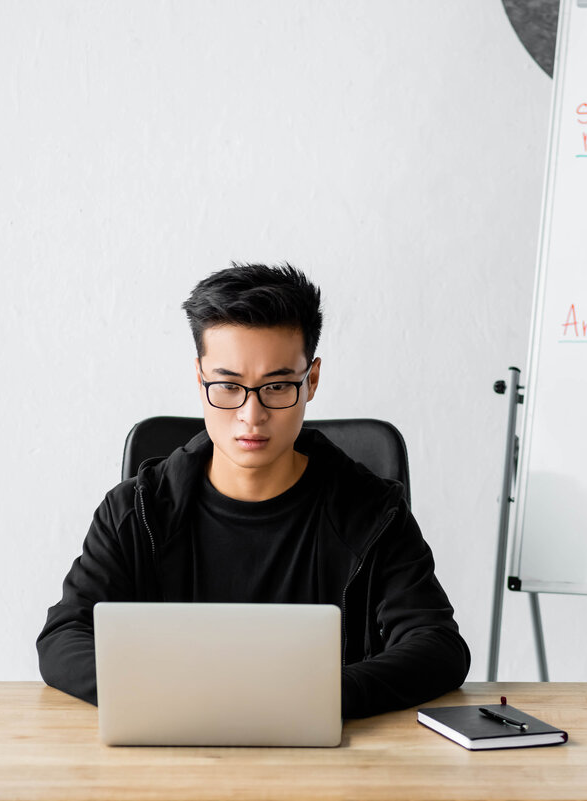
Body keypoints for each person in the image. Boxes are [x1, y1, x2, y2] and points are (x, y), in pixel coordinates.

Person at [36, 262, 470, 718]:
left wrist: (312, 698)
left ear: (312, 380)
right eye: (228, 386)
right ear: (200, 377)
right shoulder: (136, 509)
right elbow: (64, 637)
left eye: (278, 386)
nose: (251, 414)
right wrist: (179, 698)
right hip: (169, 757)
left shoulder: (373, 512)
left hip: (327, 762)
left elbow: (437, 647)